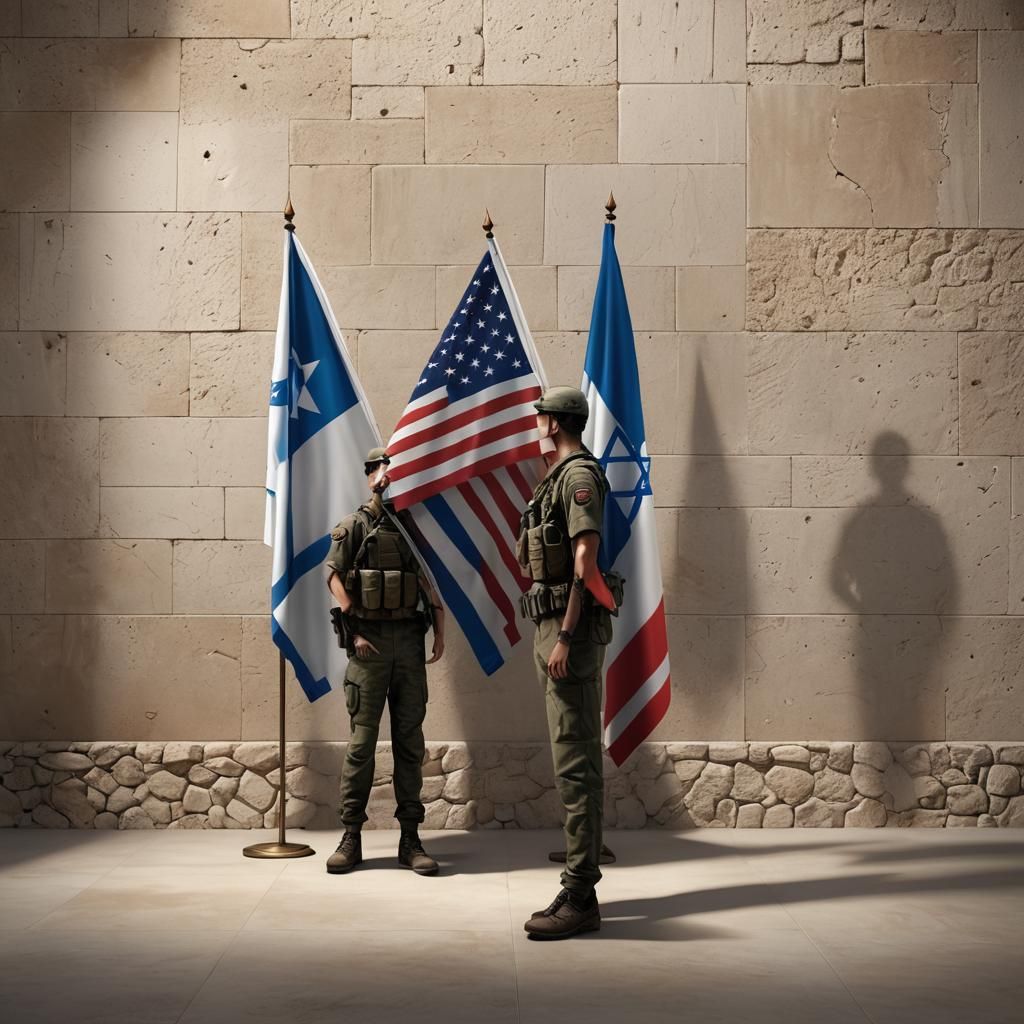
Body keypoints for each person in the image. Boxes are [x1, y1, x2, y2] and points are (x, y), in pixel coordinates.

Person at [517, 387, 623, 940]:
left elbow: (585, 561)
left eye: (541, 418)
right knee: (569, 761)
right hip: (554, 628)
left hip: (569, 635)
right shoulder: (556, 477)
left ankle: (581, 893)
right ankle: (579, 883)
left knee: (576, 766)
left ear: (556, 423)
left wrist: (564, 635)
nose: (536, 425)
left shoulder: (579, 478)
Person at [323, 447, 446, 876]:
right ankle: (351, 834)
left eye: (394, 470)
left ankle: (410, 836)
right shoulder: (354, 526)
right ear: (371, 473)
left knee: (410, 744)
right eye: (381, 469)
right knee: (361, 746)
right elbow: (333, 575)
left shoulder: (412, 528)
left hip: (409, 645)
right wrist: (353, 627)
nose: (388, 477)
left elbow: (430, 584)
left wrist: (440, 632)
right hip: (369, 648)